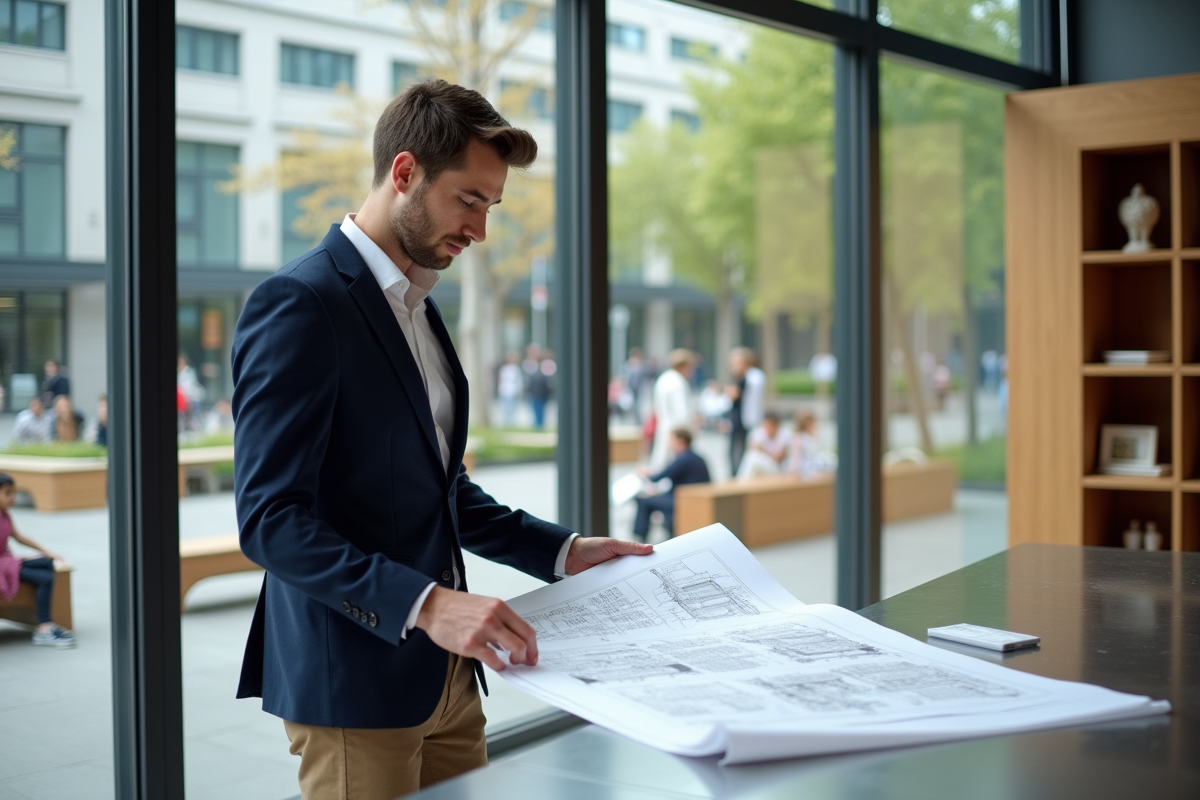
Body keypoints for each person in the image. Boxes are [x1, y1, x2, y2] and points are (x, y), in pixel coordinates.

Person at [231, 79, 653, 800]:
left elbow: (433, 486)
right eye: (469, 200)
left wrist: (561, 551)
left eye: (491, 206)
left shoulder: (416, 303)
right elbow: (270, 521)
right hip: (356, 686)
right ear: (405, 174)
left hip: (449, 678)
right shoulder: (301, 304)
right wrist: (427, 605)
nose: (481, 230)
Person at [0, 472, 75, 647]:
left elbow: (19, 537)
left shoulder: (5, 516)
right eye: (8, 493)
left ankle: (46, 623)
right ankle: (45, 627)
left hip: (8, 562)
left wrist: (46, 551)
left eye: (14, 493)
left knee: (47, 563)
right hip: (4, 565)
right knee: (44, 577)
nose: (13, 498)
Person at [632, 428, 710, 542]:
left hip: (683, 500)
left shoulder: (683, 459)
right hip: (690, 498)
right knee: (652, 498)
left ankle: (639, 537)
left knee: (643, 500)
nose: (669, 444)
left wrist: (644, 473)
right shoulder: (695, 457)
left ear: (681, 441)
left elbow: (658, 477)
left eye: (671, 440)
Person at [649, 349, 695, 470]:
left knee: (661, 460)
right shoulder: (678, 382)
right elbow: (682, 411)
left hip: (664, 425)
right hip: (677, 429)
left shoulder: (663, 379)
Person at [726, 347, 765, 476]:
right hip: (738, 419)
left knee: (744, 451)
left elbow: (734, 394)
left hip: (748, 419)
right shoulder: (741, 377)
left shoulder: (753, 377)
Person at [736, 411, 788, 479]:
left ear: (776, 425)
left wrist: (762, 450)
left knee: (753, 460)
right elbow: (752, 447)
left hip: (778, 470)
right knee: (751, 457)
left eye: (770, 425)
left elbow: (779, 458)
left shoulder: (784, 435)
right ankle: (741, 482)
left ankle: (740, 483)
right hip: (762, 467)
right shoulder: (760, 431)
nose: (767, 428)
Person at [788, 411, 834, 478]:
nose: (814, 426)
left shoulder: (809, 437)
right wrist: (794, 471)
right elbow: (796, 456)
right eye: (811, 424)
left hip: (811, 462)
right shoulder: (799, 437)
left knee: (830, 459)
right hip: (804, 466)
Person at [496, 351, 523, 427]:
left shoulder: (517, 369)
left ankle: (511, 422)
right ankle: (507, 421)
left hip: (513, 391)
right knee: (506, 407)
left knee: (512, 407)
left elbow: (519, 381)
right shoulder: (505, 368)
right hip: (505, 390)